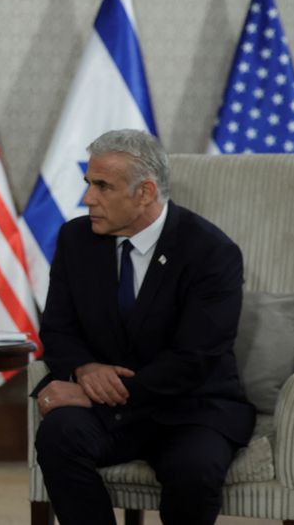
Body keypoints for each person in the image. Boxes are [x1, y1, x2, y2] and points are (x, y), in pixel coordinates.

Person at [33, 129, 255, 525]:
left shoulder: (210, 252)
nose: (87, 199)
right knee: (58, 436)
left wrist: (96, 393)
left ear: (145, 193)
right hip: (112, 413)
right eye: (89, 184)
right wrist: (85, 369)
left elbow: (195, 358)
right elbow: (57, 329)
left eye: (102, 186)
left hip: (190, 406)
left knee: (194, 471)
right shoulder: (76, 240)